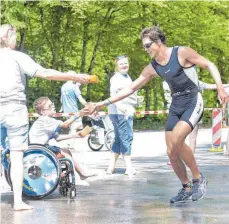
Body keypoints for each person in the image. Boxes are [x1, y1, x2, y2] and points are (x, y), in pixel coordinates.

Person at [88, 26, 229, 203]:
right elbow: (131, 88)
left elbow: (210, 64)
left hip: (193, 100)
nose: (145, 50)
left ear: (158, 42)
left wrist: (221, 88)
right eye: (144, 47)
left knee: (177, 140)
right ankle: (186, 187)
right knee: (171, 151)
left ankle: (198, 178)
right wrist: (103, 103)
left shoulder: (181, 52)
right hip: (176, 104)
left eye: (148, 46)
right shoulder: (152, 67)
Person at [0, 24, 91, 211]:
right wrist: (72, 77)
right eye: (14, 36)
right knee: (17, 156)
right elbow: (44, 73)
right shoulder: (16, 56)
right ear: (8, 37)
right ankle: (17, 202)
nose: (16, 40)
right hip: (14, 108)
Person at [29, 97, 97, 185]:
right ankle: (76, 177)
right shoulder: (46, 120)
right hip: (40, 150)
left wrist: (75, 135)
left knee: (66, 150)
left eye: (52, 104)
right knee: (66, 154)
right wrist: (78, 114)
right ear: (43, 112)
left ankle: (82, 174)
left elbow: (57, 137)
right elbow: (65, 125)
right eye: (50, 106)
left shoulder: (44, 121)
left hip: (38, 148)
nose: (53, 107)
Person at [163, 81, 229, 153]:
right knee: (191, 138)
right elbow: (210, 86)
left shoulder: (176, 80)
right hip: (193, 111)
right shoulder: (194, 80)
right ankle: (187, 159)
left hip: (183, 112)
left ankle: (181, 158)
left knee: (181, 137)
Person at [106, 55, 137, 176]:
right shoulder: (117, 78)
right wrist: (120, 106)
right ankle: (129, 168)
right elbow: (113, 94)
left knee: (119, 139)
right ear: (117, 66)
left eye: (126, 63)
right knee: (127, 138)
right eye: (121, 64)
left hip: (119, 111)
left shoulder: (126, 77)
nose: (124, 65)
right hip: (121, 112)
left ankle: (111, 167)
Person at [61, 81, 87, 149]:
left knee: (73, 127)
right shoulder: (74, 86)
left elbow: (61, 100)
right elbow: (80, 99)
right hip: (73, 110)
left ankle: (69, 143)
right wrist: (87, 105)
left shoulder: (63, 87)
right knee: (77, 126)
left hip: (66, 110)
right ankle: (69, 144)